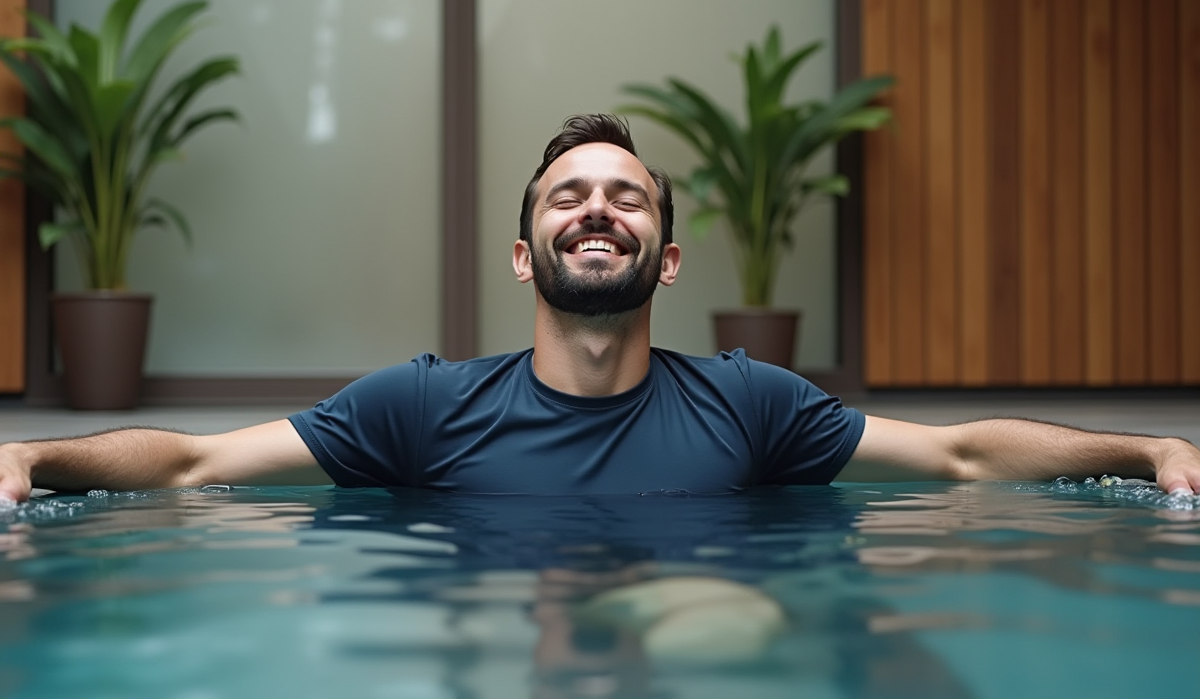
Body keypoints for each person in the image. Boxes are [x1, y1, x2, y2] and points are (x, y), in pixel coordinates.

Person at [1, 114, 1198, 502]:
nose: (597, 209)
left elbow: (961, 453)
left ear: (665, 260)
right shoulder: (426, 405)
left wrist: (1148, 449)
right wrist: (34, 459)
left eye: (627, 197)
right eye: (567, 195)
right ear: (525, 254)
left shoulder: (749, 403)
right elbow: (195, 462)